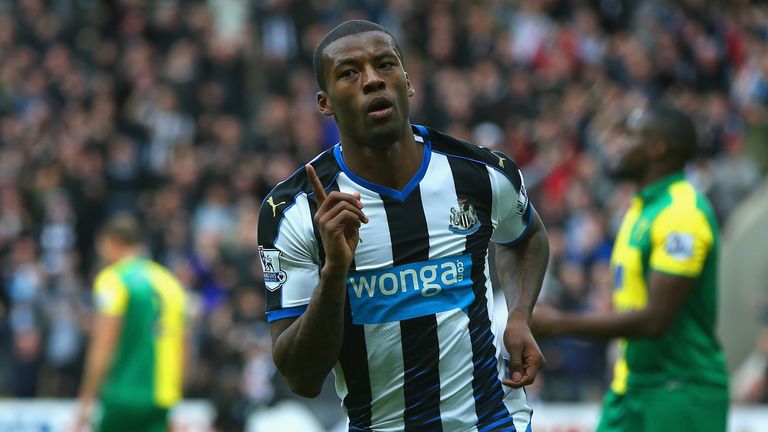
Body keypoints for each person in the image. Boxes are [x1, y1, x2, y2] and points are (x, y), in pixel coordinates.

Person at [258, 20, 549, 431]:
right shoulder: (293, 210)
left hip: (494, 421)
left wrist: (519, 315)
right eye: (350, 73)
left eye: (385, 65)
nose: (373, 80)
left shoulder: (480, 174)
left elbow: (527, 237)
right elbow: (301, 377)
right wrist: (335, 269)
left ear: (408, 83)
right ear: (324, 103)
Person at [532, 105, 729, 432]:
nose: (616, 144)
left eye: (629, 136)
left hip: (679, 392)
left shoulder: (682, 213)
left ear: (657, 148)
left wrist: (559, 324)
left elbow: (655, 320)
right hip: (633, 387)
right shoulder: (641, 209)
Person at [73, 214, 187, 432]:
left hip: (123, 393)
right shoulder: (170, 283)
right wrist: (175, 399)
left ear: (112, 241)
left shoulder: (113, 280)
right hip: (161, 399)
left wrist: (86, 401)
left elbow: (104, 343)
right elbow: (184, 347)